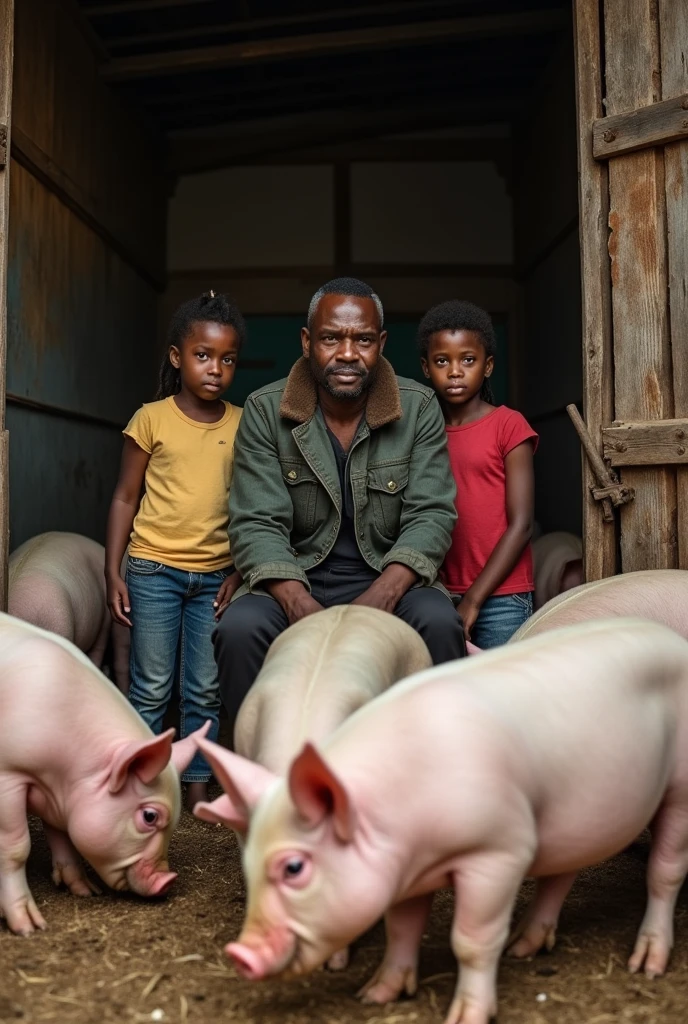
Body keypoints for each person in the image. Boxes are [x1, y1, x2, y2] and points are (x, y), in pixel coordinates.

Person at [214, 277, 465, 725]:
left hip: (388, 573)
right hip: (294, 575)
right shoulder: (264, 410)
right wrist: (294, 601)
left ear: (381, 343)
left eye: (363, 340)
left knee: (441, 624)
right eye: (331, 338)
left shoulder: (419, 406)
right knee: (238, 630)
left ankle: (430, 768)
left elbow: (432, 512)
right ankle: (261, 773)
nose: (348, 354)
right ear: (308, 341)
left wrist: (384, 594)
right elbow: (255, 522)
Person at [105, 291, 243, 810]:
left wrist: (239, 570)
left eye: (227, 359)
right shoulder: (151, 419)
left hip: (214, 575)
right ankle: (141, 788)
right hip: (153, 570)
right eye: (203, 355)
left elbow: (251, 506)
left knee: (204, 690)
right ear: (176, 357)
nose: (215, 369)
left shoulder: (242, 422)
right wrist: (111, 570)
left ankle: (197, 787)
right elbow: (124, 496)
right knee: (151, 687)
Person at [419, 300, 538, 648]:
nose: (455, 371)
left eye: (467, 360)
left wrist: (473, 599)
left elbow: (522, 525)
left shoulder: (508, 425)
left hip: (504, 598)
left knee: (503, 694)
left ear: (487, 366)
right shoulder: (422, 433)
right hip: (436, 595)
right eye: (442, 361)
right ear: (426, 368)